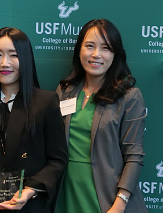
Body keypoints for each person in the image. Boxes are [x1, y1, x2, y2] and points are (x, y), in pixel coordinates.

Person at [55, 19, 147, 213]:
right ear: (79, 49)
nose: (96, 54)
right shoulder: (65, 91)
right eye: (89, 46)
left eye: (105, 48)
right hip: (66, 191)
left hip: (107, 197)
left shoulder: (129, 97)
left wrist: (120, 204)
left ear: (115, 54)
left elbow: (134, 156)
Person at [0, 27, 68, 212]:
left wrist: (30, 190)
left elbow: (58, 160)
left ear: (25, 59)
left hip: (30, 205)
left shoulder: (46, 102)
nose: (4, 63)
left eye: (13, 55)